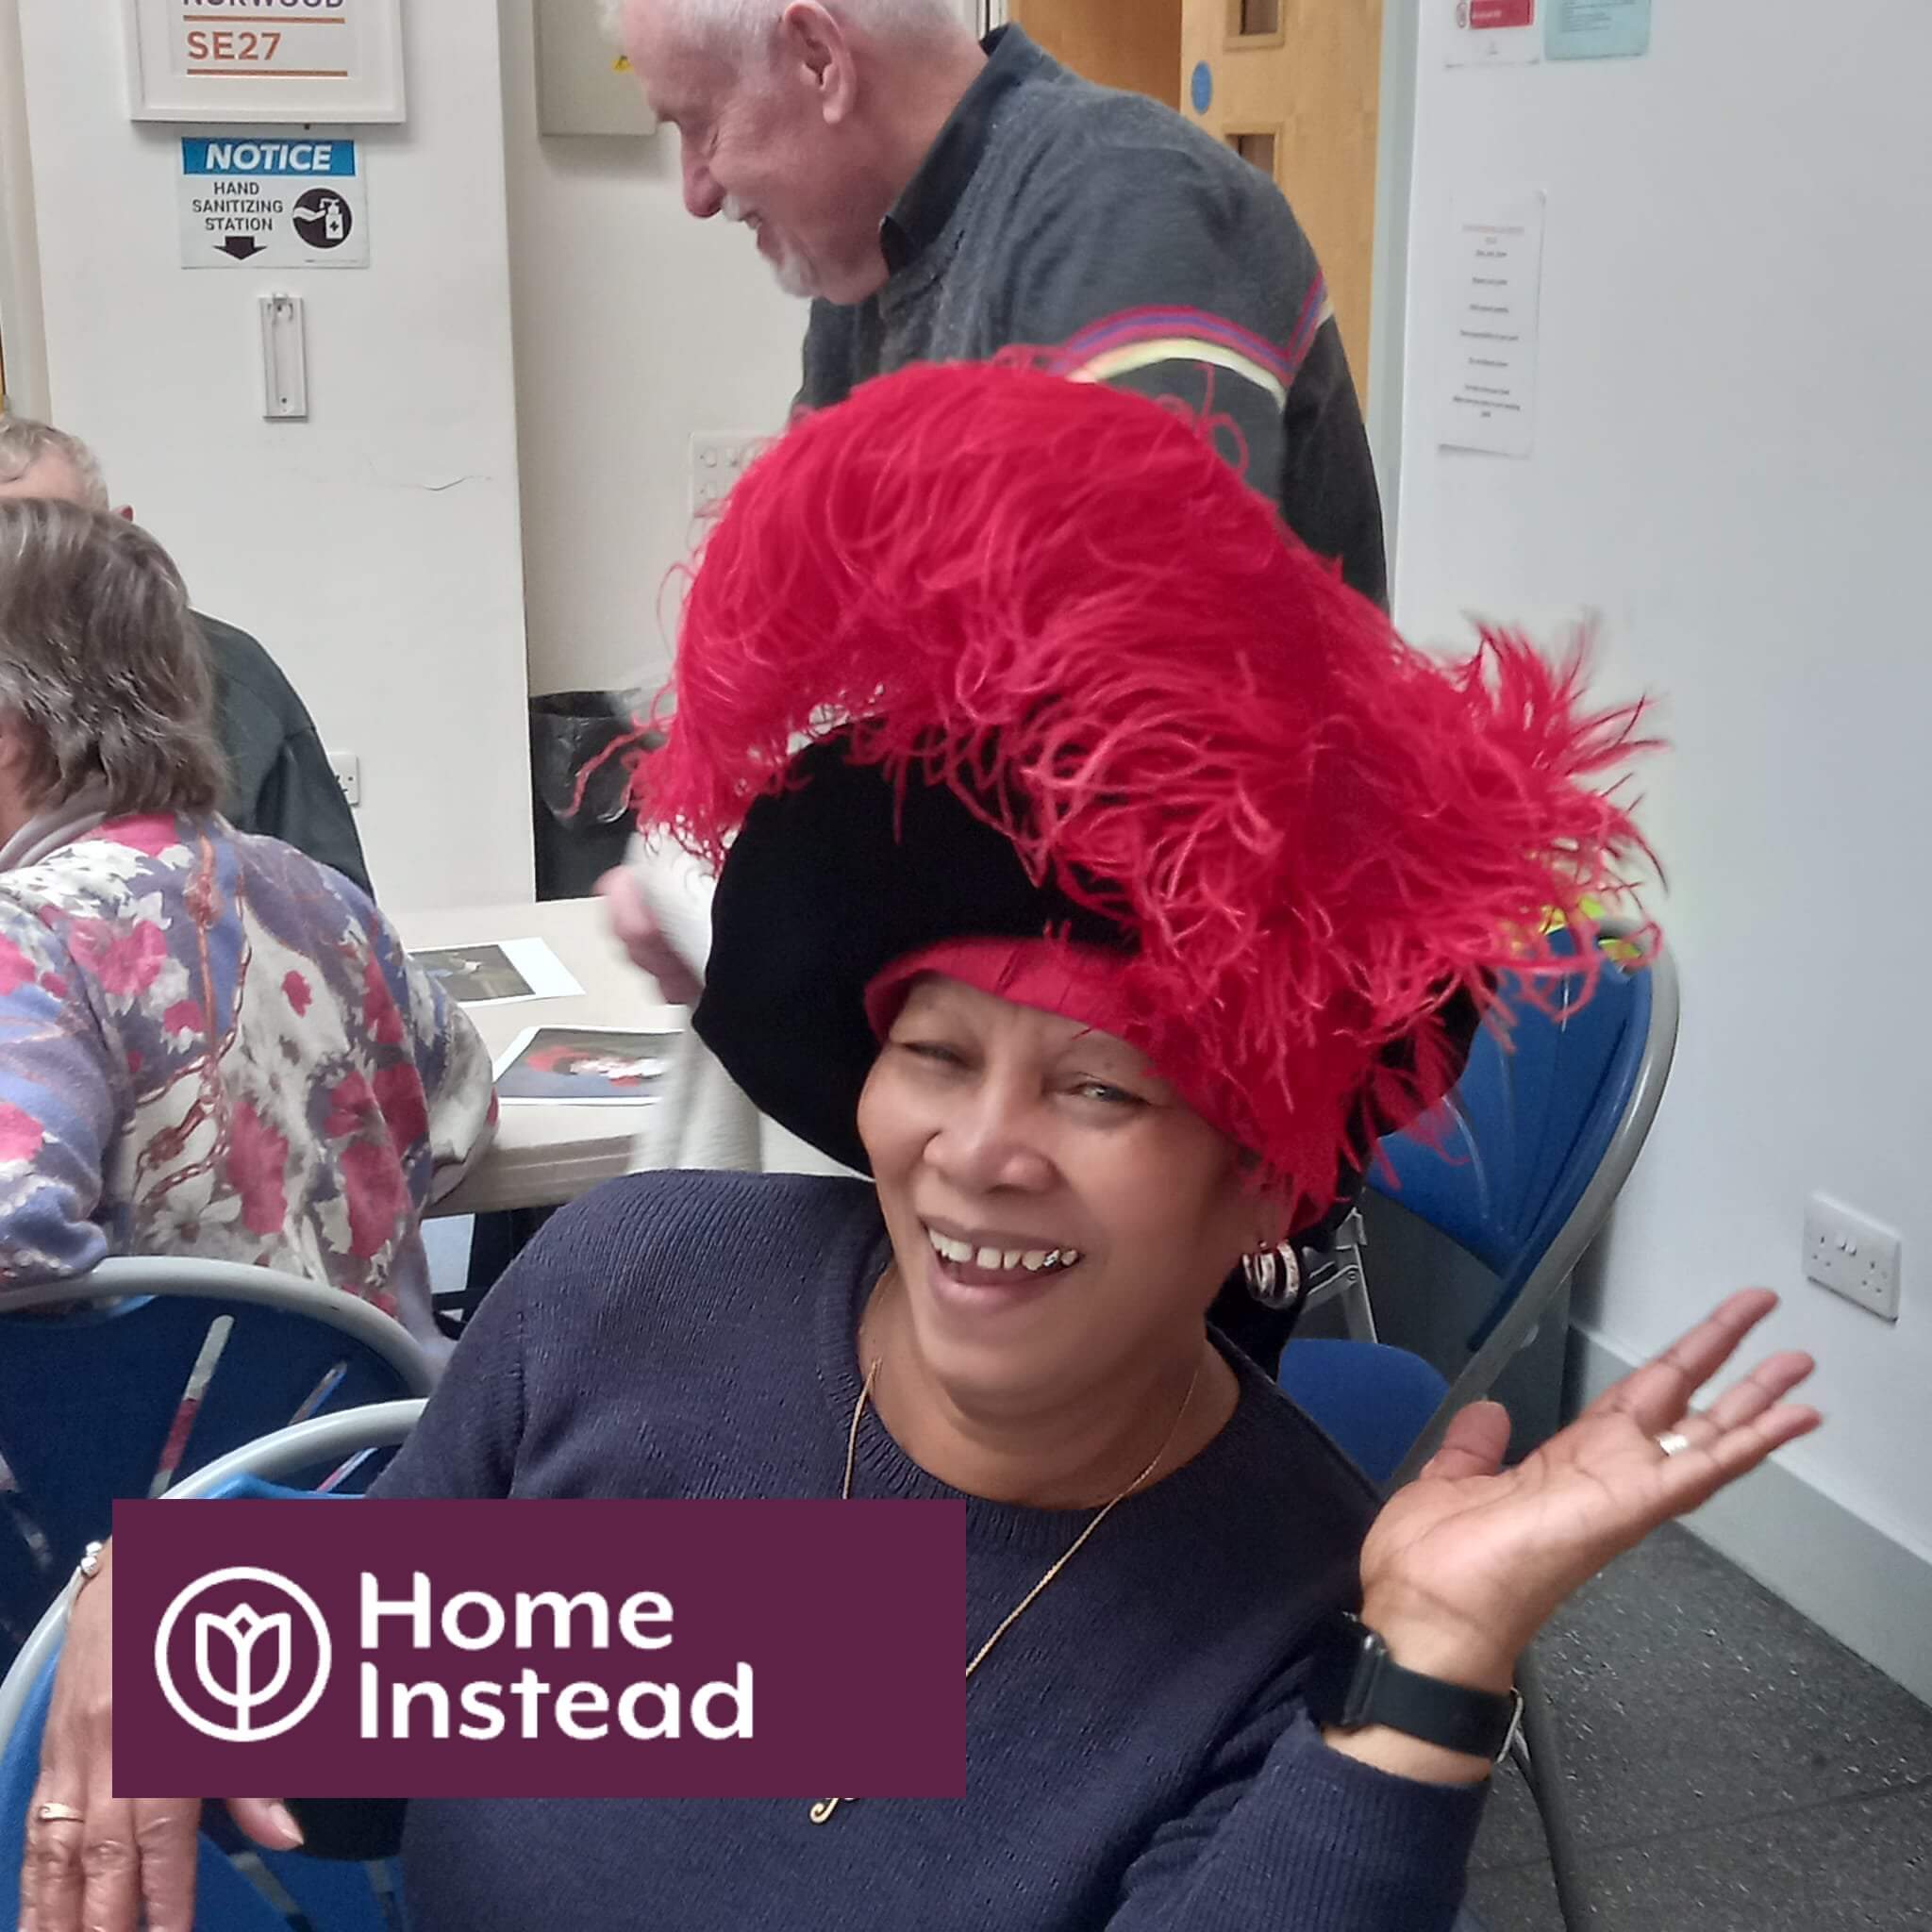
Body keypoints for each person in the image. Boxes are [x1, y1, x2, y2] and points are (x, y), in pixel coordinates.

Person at [20, 366, 1820, 1932]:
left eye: (1099, 1091)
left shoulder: (1277, 1601)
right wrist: (176, 1613)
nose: (979, 1149)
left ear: (1262, 1174)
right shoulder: (642, 1301)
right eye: (933, 1052)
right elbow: (348, 1769)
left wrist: (1424, 1671)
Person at [598, 0, 1389, 1020]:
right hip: (1016, 987)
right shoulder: (862, 288)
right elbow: (811, 675)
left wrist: (765, 913)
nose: (698, 191)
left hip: (1204, 1016)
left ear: (818, 58)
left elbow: (1135, 725)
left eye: (699, 126)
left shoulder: (1125, 207)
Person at [0, 498, 494, 1341]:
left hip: (154, 1460)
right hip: (375, 1438)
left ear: (11, 730)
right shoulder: (318, 895)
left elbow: (15, 1235)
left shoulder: (32, 933)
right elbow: (464, 1107)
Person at [0, 415, 375, 895]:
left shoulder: (229, 670)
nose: (21, 574)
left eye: (51, 541)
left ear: (120, 537)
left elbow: (336, 912)